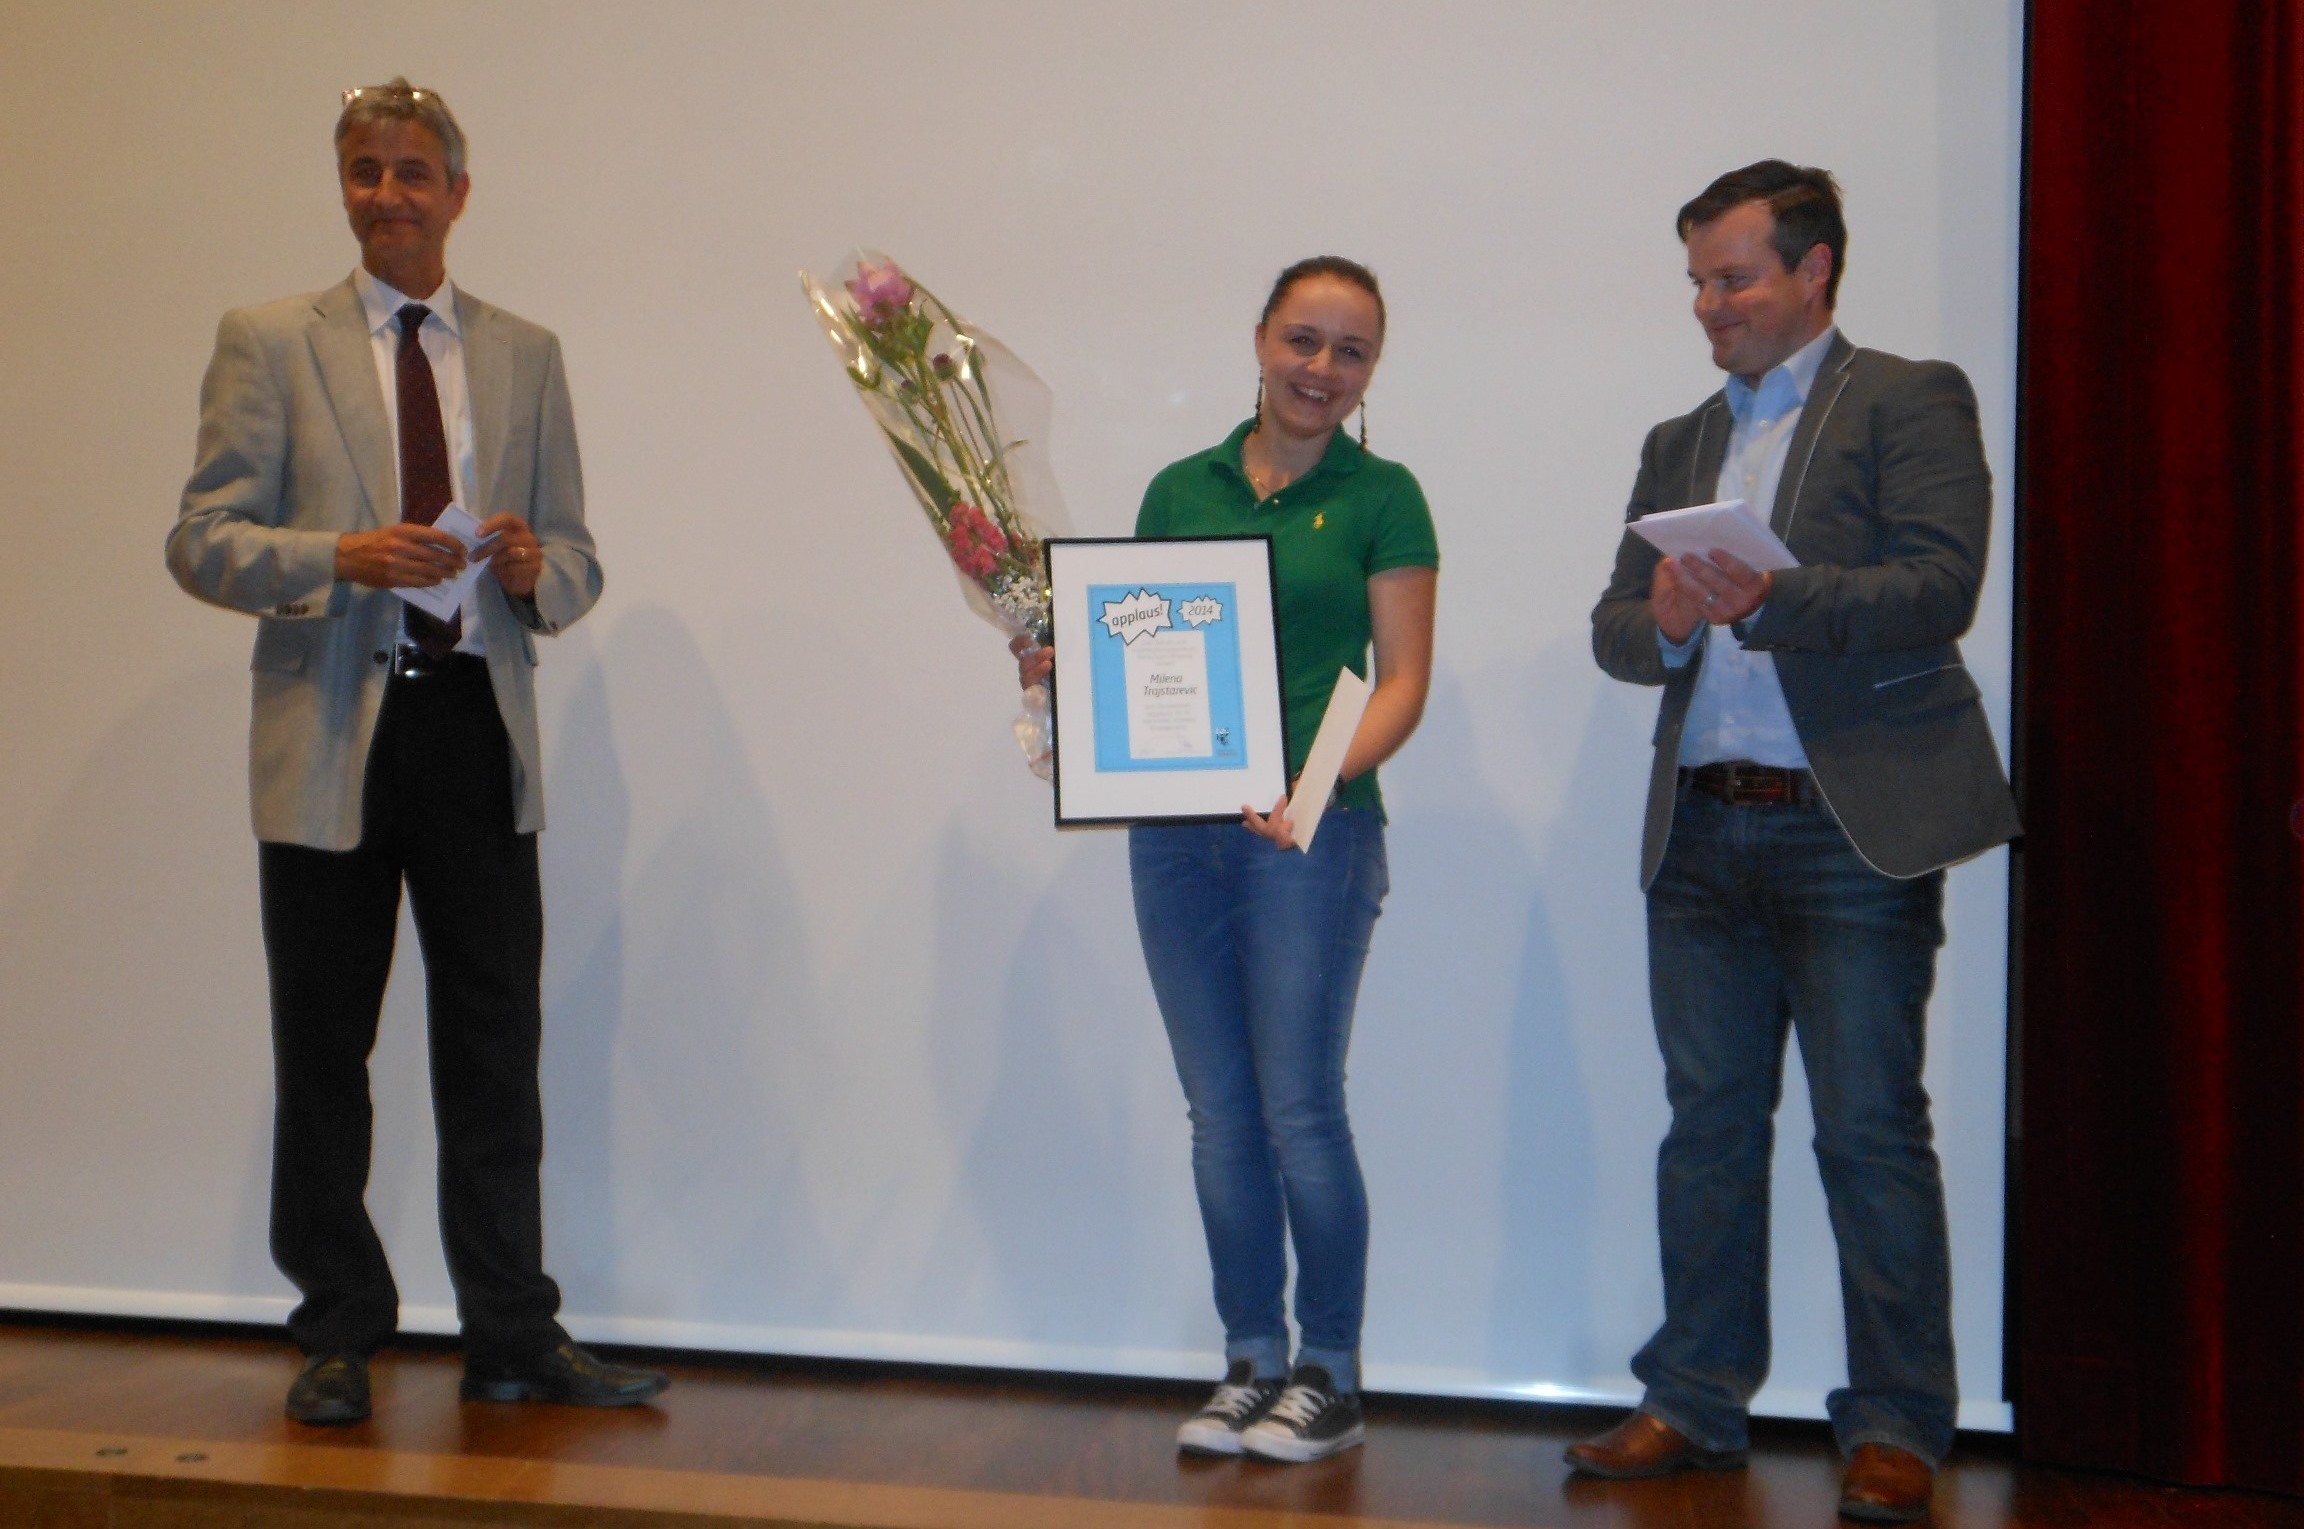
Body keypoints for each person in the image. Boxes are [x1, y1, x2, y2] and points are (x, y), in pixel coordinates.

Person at [165, 79, 666, 1426]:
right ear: (345, 187)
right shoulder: (270, 340)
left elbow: (576, 556)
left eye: (411, 172)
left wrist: (532, 569)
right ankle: (338, 1328)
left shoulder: (525, 352)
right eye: (364, 171)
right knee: (325, 1046)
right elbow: (201, 539)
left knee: (494, 1047)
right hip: (332, 734)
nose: (387, 194)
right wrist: (339, 555)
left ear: (458, 191)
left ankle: (512, 1330)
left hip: (473, 727)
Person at [1574, 161, 2020, 1523]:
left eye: (1734, 277)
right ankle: (1695, 1397)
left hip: (1847, 833)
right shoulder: (1676, 442)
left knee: (1869, 1130)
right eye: (1698, 282)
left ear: (1814, 269)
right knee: (1706, 1128)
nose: (1708, 305)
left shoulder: (1908, 396)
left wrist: (1770, 598)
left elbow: (1940, 583)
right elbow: (1614, 628)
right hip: (1701, 827)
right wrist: (1661, 616)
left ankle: (1898, 1421)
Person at [1018, 257, 1438, 1462]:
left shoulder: (1385, 495)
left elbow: (1403, 681)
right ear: (1260, 339)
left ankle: (1331, 1371)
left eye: (1351, 350)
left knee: (1300, 1107)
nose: (1322, 367)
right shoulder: (1177, 488)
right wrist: (1062, 672)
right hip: (1173, 836)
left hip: (1313, 834)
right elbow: (1140, 650)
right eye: (1304, 339)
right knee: (1220, 1113)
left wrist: (1310, 788)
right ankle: (1251, 1357)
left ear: (1371, 371)